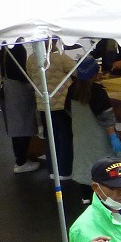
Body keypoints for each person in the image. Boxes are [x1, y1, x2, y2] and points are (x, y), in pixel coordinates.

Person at [66, 58, 121, 205]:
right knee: (101, 166)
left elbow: (68, 110)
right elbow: (106, 119)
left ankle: (86, 197)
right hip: (98, 138)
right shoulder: (97, 92)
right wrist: (113, 137)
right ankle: (102, 198)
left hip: (80, 134)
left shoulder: (72, 89)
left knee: (83, 165)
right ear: (95, 74)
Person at [26, 41, 79, 182]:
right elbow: (77, 71)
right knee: (66, 137)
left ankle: (52, 170)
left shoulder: (31, 59)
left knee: (50, 137)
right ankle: (65, 170)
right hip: (62, 104)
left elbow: (30, 75)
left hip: (43, 104)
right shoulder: (61, 58)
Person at [0, 41, 40, 173]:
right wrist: (33, 81)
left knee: (16, 126)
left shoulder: (3, 47)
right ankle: (21, 161)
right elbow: (18, 73)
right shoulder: (17, 48)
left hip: (7, 88)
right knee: (23, 126)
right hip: (17, 90)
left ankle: (21, 159)